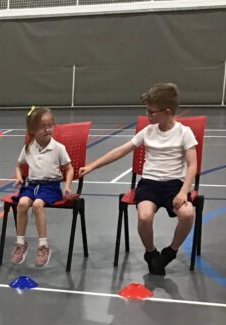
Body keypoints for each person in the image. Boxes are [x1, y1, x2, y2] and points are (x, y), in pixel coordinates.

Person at [79, 83, 197, 275]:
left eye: (151, 112)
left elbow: (192, 165)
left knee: (188, 213)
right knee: (144, 216)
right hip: (149, 184)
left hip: (174, 185)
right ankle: (151, 253)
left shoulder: (184, 133)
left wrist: (183, 191)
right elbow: (121, 151)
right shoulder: (148, 131)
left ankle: (171, 251)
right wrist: (92, 165)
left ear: (167, 112)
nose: (147, 115)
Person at [10, 107, 74, 267]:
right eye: (42, 126)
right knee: (22, 204)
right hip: (32, 186)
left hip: (51, 187)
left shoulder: (58, 148)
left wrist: (67, 186)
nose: (47, 129)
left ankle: (43, 246)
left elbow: (69, 169)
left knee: (38, 205)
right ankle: (20, 244)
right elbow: (18, 165)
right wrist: (19, 177)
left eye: (50, 125)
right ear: (32, 130)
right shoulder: (28, 148)